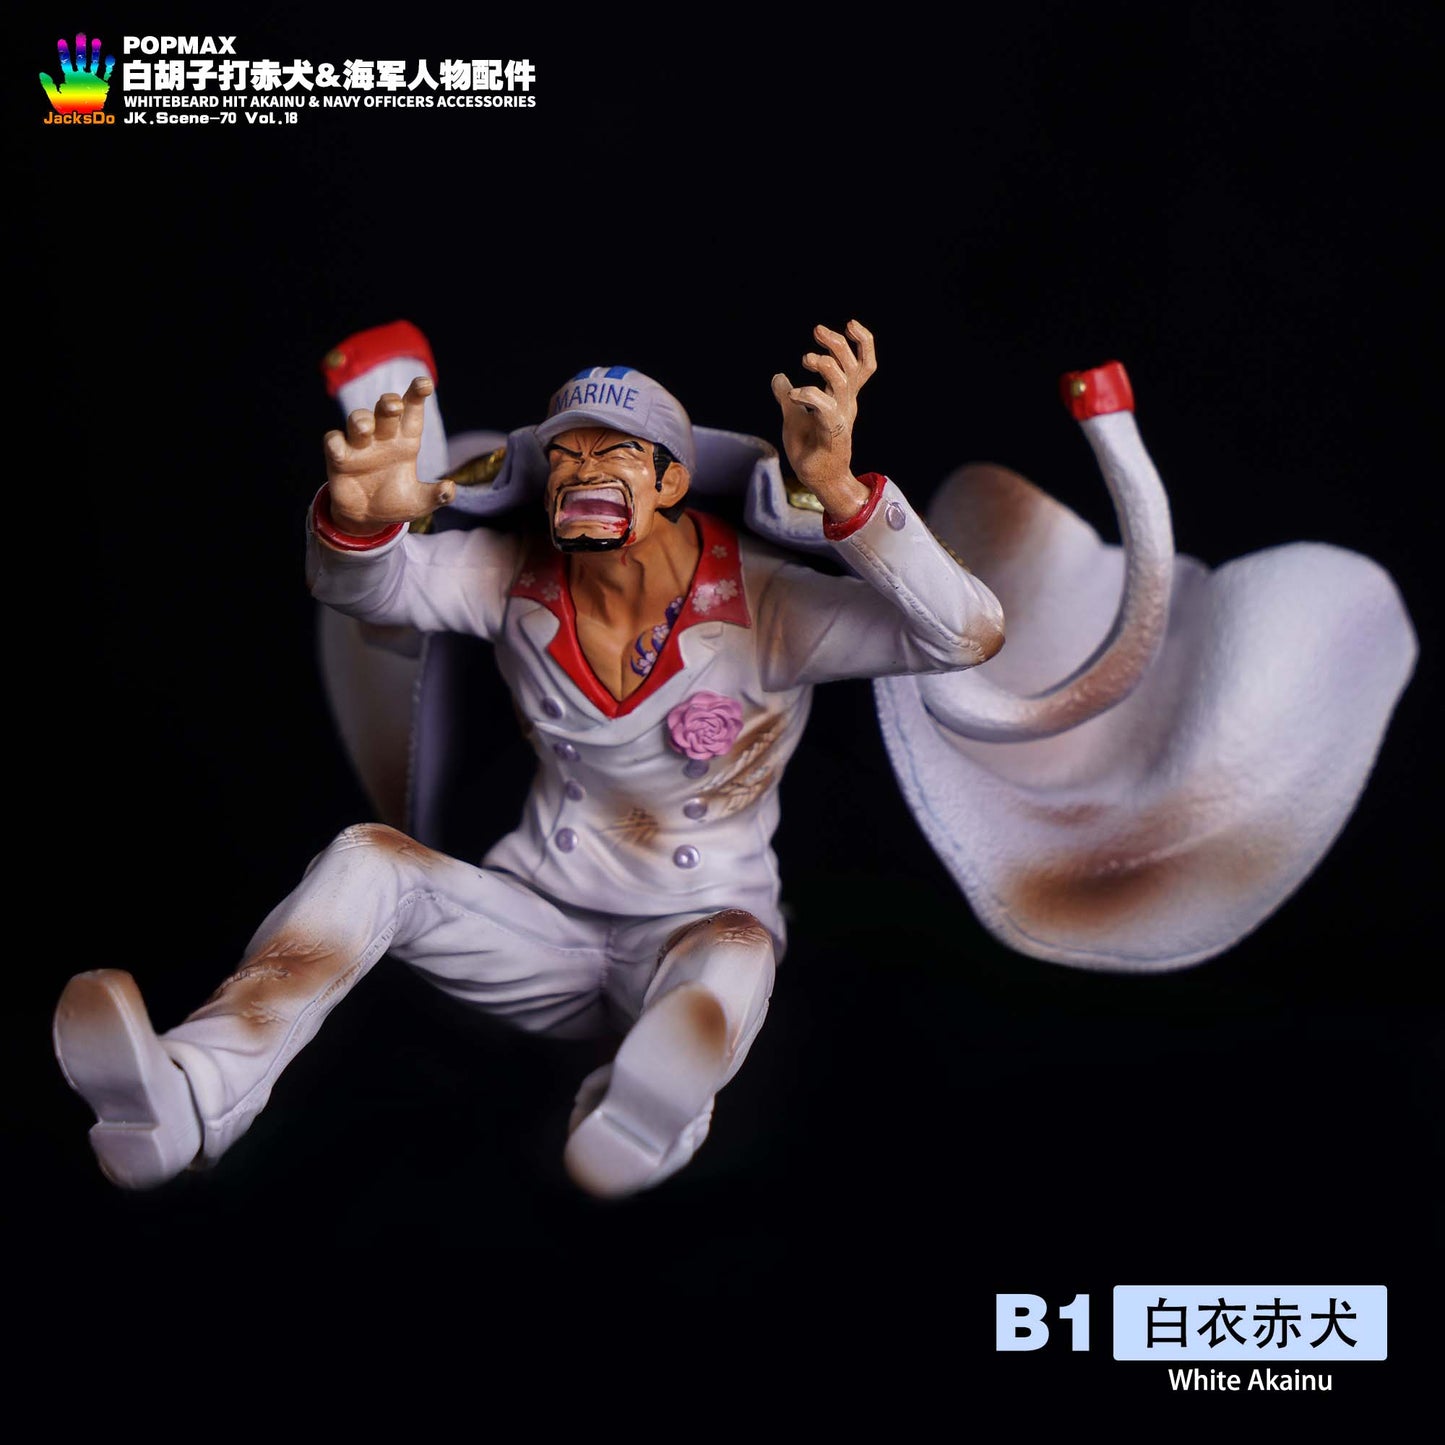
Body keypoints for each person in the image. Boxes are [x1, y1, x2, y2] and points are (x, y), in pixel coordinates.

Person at [53, 320, 1005, 1197]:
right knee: (367, 857)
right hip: (537, 924)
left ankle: (642, 1115)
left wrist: (841, 492)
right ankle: (189, 1092)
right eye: (565, 454)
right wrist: (361, 521)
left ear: (671, 481)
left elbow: (964, 633)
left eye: (616, 451)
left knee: (737, 955)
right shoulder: (513, 577)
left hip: (691, 925)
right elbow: (372, 593)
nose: (582, 469)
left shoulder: (771, 606)